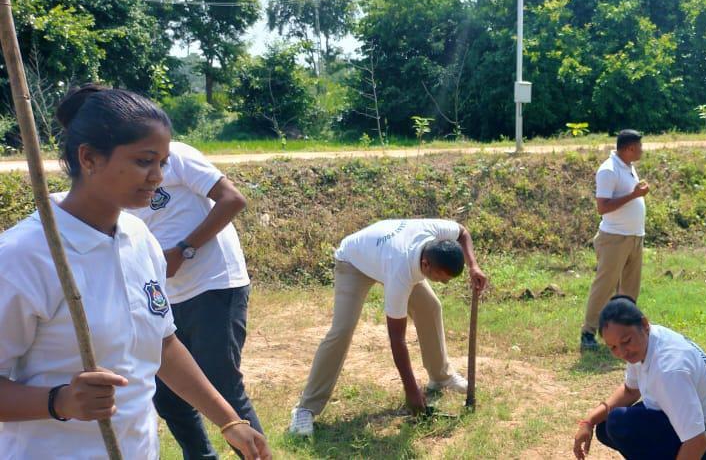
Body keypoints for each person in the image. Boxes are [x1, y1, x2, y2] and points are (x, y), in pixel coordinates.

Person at [0, 85, 270, 460]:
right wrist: (59, 401)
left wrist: (228, 420)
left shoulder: (139, 239)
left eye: (163, 162)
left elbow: (162, 342)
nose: (158, 176)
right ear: (89, 158)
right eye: (145, 161)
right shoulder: (24, 257)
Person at [126, 139, 263, 460]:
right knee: (167, 393)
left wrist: (184, 249)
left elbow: (232, 199)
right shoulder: (113, 174)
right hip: (161, 292)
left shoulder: (176, 155)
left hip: (213, 282)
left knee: (221, 385)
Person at [288, 219, 488, 437]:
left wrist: (473, 265)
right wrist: (411, 390)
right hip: (353, 261)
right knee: (341, 331)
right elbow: (397, 339)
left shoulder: (434, 231)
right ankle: (305, 408)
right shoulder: (400, 271)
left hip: (384, 252)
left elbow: (463, 232)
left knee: (430, 308)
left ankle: (440, 377)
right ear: (426, 265)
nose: (445, 283)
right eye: (441, 278)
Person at [572, 296, 706, 460]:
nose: (622, 352)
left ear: (644, 324)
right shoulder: (646, 342)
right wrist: (589, 421)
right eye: (613, 347)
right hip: (702, 432)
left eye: (626, 341)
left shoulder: (669, 369)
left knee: (619, 422)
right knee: (606, 425)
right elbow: (630, 391)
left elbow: (697, 442)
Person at [581, 129, 648, 352]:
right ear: (629, 148)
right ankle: (588, 332)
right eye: (639, 146)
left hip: (634, 237)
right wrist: (634, 196)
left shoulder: (628, 167)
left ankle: (628, 331)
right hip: (614, 238)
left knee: (629, 289)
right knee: (605, 286)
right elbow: (603, 207)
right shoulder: (608, 171)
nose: (642, 150)